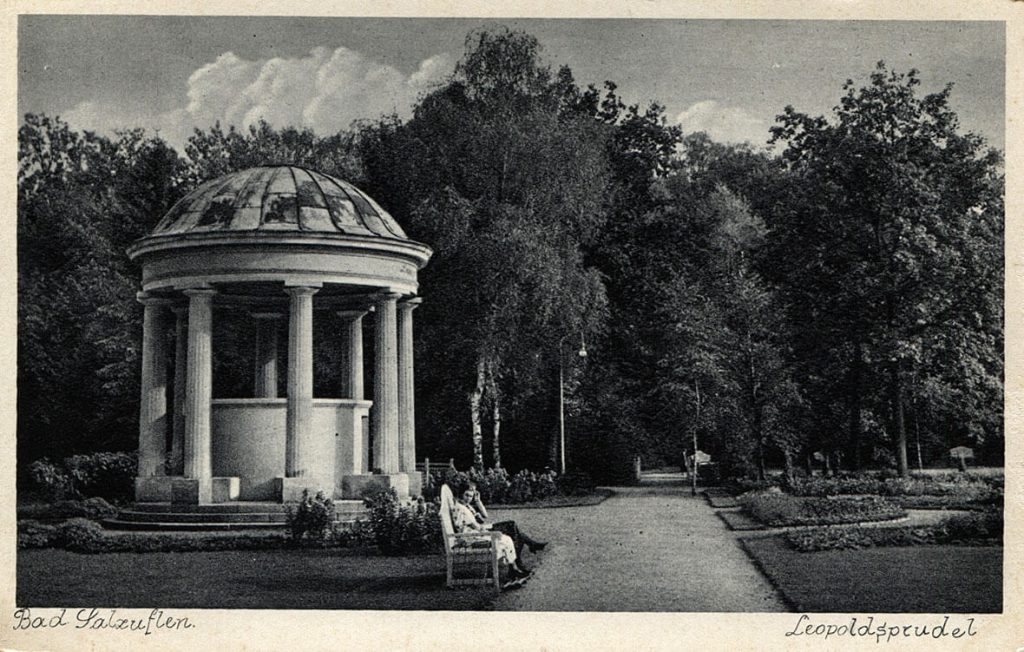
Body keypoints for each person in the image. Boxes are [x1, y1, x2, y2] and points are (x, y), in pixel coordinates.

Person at [451, 483, 532, 589]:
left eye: (470, 496)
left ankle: (514, 569)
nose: (468, 498)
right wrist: (489, 531)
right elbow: (476, 526)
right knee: (508, 534)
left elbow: (484, 516)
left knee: (509, 534)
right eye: (466, 495)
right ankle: (515, 568)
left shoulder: (466, 506)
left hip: (475, 532)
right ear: (460, 494)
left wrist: (478, 501)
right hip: (471, 536)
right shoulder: (461, 509)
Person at [463, 481, 548, 558]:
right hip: (479, 531)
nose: (471, 496)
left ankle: (530, 546)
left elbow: (485, 515)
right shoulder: (463, 507)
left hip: (482, 528)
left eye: (474, 492)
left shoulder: (469, 506)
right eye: (469, 492)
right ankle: (527, 549)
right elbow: (476, 524)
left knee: (514, 529)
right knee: (512, 526)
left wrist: (478, 501)